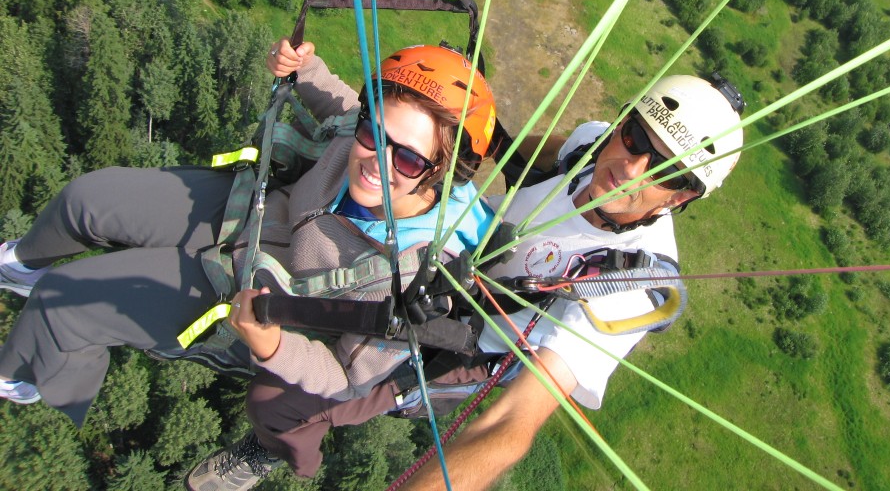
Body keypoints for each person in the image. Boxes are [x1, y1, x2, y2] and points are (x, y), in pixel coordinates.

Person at [186, 73, 745, 491]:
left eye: (666, 170)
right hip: (446, 252)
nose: (631, 167)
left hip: (463, 345)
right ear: (622, 125)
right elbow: (530, 163)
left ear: (682, 197)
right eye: (636, 137)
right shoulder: (593, 144)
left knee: (280, 403)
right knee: (319, 275)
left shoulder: (630, 280)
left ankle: (279, 453)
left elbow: (510, 424)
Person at [0, 40, 498, 429]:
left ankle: (26, 376)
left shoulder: (412, 275)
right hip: (250, 212)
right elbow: (342, 108)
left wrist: (271, 346)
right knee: (87, 199)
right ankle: (21, 264)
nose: (376, 162)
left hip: (245, 292)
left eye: (407, 158)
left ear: (441, 171)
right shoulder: (368, 135)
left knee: (61, 307)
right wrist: (305, 67)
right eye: (373, 136)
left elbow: (347, 379)